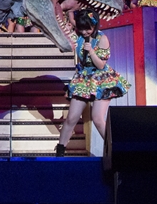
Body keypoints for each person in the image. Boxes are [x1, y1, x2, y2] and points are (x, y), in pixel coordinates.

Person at [55, 11, 131, 157]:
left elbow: (101, 65)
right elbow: (65, 43)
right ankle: (60, 152)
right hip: (83, 78)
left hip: (101, 79)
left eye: (87, 29)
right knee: (72, 117)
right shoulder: (78, 36)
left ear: (94, 25)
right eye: (81, 29)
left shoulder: (102, 39)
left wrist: (91, 52)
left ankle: (115, 150)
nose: (84, 32)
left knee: (97, 118)